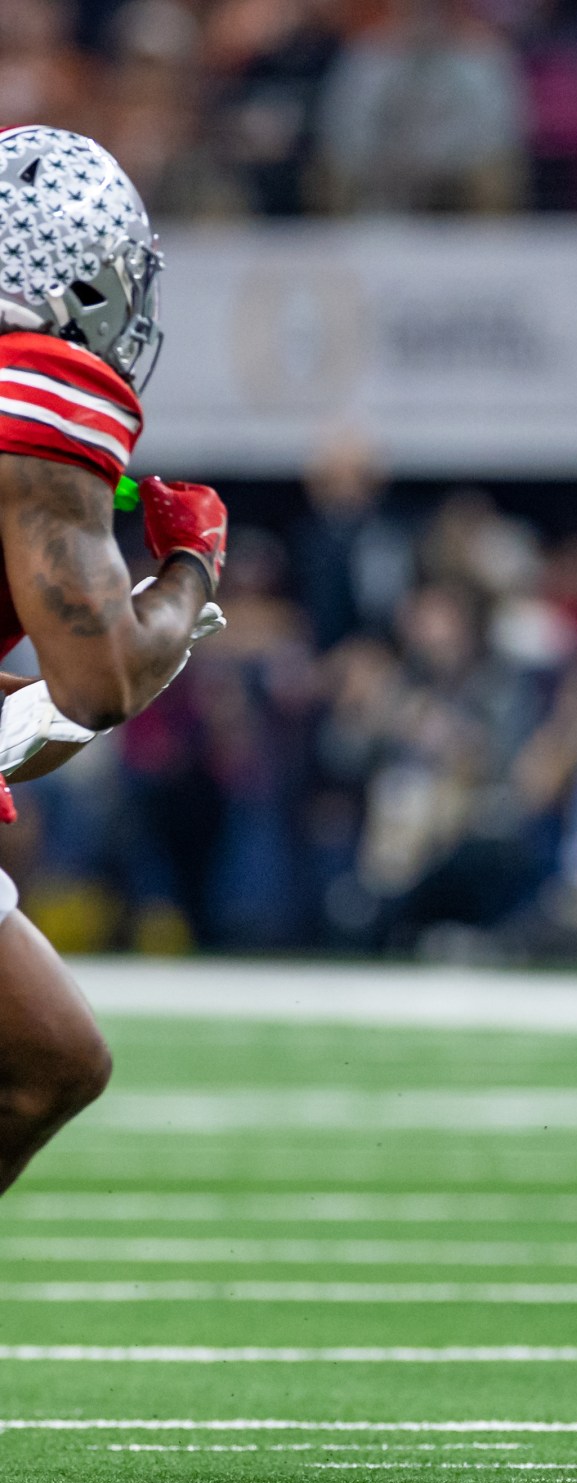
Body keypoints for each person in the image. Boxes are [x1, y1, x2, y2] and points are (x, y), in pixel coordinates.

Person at [0, 126, 229, 1194]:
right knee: (45, 1063)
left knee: (49, 1059)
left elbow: (32, 722)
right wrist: (190, 565)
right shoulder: (36, 382)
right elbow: (101, 682)